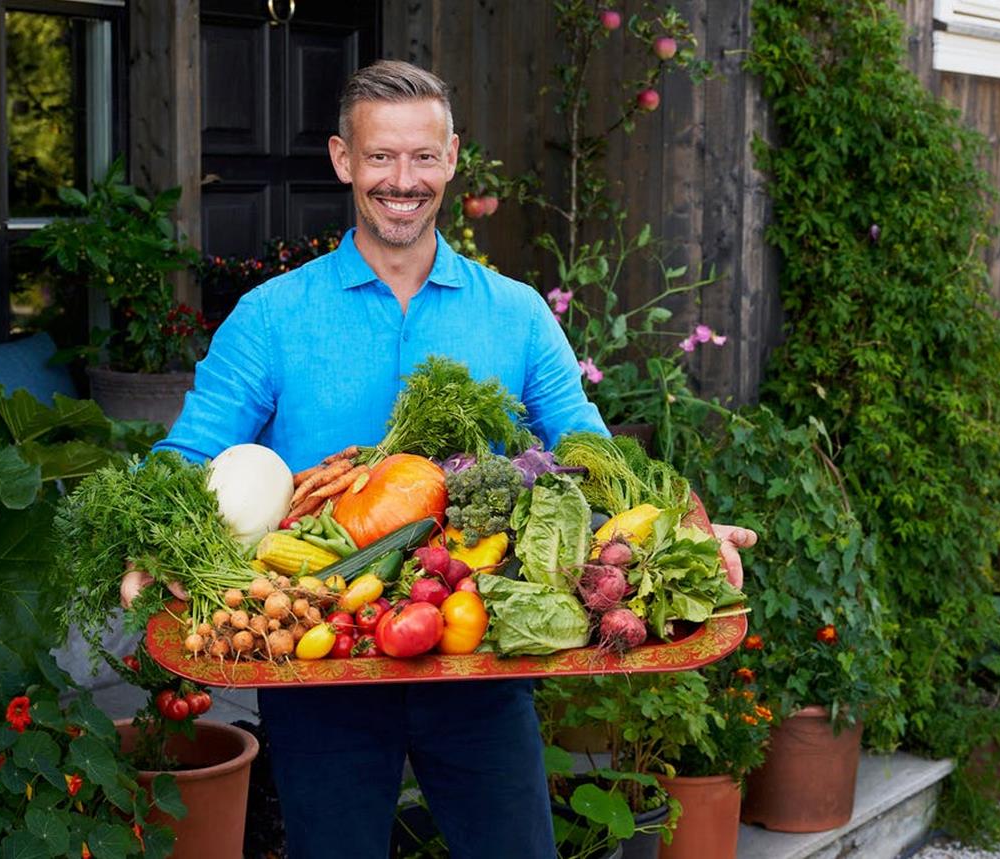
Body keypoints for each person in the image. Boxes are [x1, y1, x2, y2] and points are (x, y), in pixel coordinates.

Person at [154, 59, 756, 859]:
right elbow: (189, 453)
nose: (402, 180)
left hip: (483, 656)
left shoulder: (515, 314)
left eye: (423, 157)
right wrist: (155, 539)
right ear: (342, 159)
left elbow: (594, 451)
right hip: (324, 657)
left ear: (452, 158)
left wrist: (685, 536)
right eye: (380, 157)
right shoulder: (271, 317)